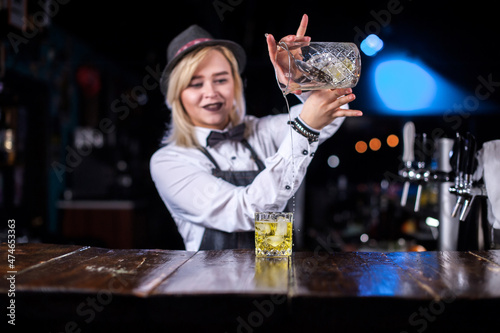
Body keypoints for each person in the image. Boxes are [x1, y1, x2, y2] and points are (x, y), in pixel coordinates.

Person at [150, 14, 362, 251]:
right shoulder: (169, 161)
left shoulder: (262, 131)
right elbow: (246, 212)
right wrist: (304, 129)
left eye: (220, 80)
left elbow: (336, 111)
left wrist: (299, 75)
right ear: (177, 95)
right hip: (213, 286)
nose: (211, 92)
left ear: (235, 84)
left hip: (278, 280)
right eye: (195, 84)